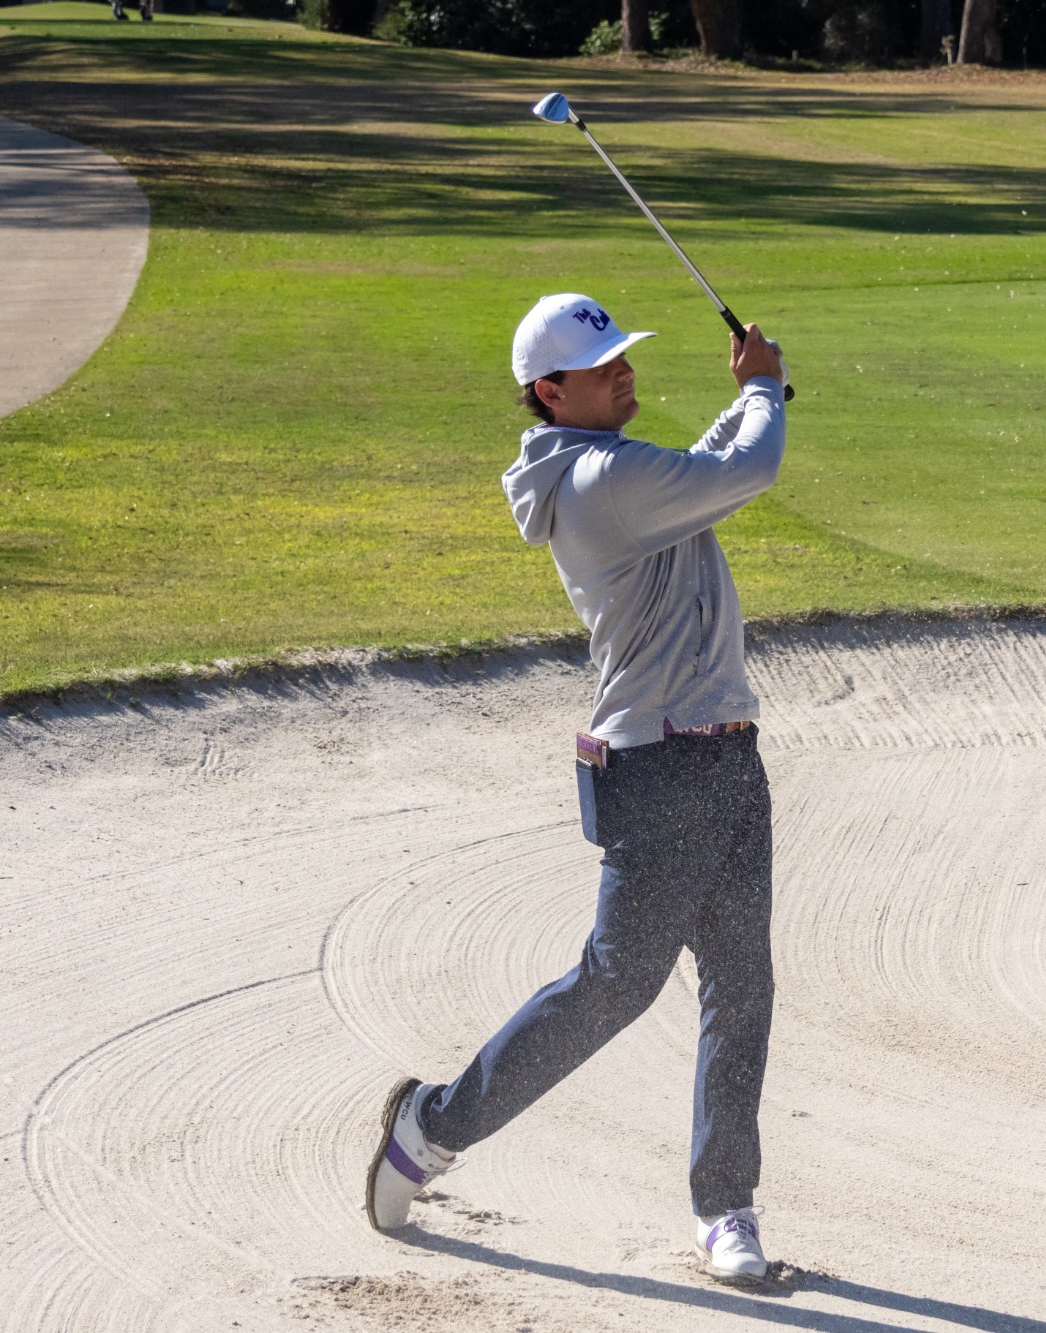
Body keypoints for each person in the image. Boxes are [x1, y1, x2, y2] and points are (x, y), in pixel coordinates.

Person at [365, 292, 789, 1286]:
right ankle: (431, 1126)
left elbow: (705, 469)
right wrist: (764, 388)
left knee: (742, 986)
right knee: (615, 985)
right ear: (550, 393)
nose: (624, 372)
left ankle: (724, 1205)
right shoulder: (599, 480)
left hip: (728, 758)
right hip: (659, 769)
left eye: (622, 358)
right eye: (602, 369)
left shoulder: (618, 468)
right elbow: (745, 469)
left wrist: (745, 399)